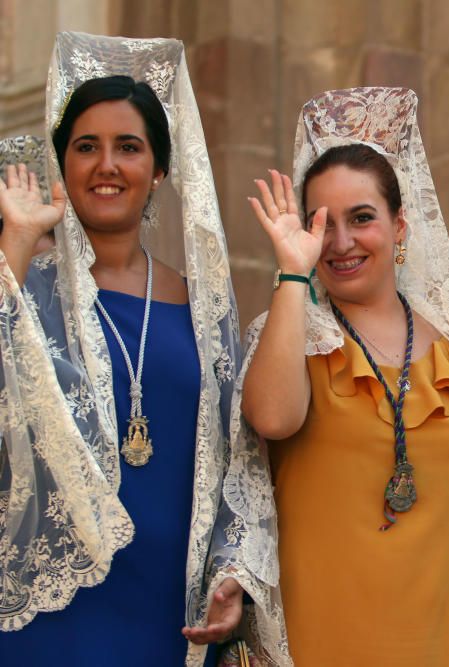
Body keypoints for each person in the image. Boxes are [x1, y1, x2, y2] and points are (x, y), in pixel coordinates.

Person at [0, 33, 281, 666]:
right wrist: (16, 244)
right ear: (62, 167)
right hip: (53, 611)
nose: (107, 165)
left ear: (158, 169)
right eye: (86, 147)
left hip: (167, 613)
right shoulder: (23, 290)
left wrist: (234, 572)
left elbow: (241, 463)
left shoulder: (203, 307)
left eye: (129, 147)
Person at [234, 87, 449, 665]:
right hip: (324, 636)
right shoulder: (290, 335)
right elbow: (273, 417)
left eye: (362, 218)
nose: (342, 241)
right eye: (322, 223)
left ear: (400, 227)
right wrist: (292, 276)